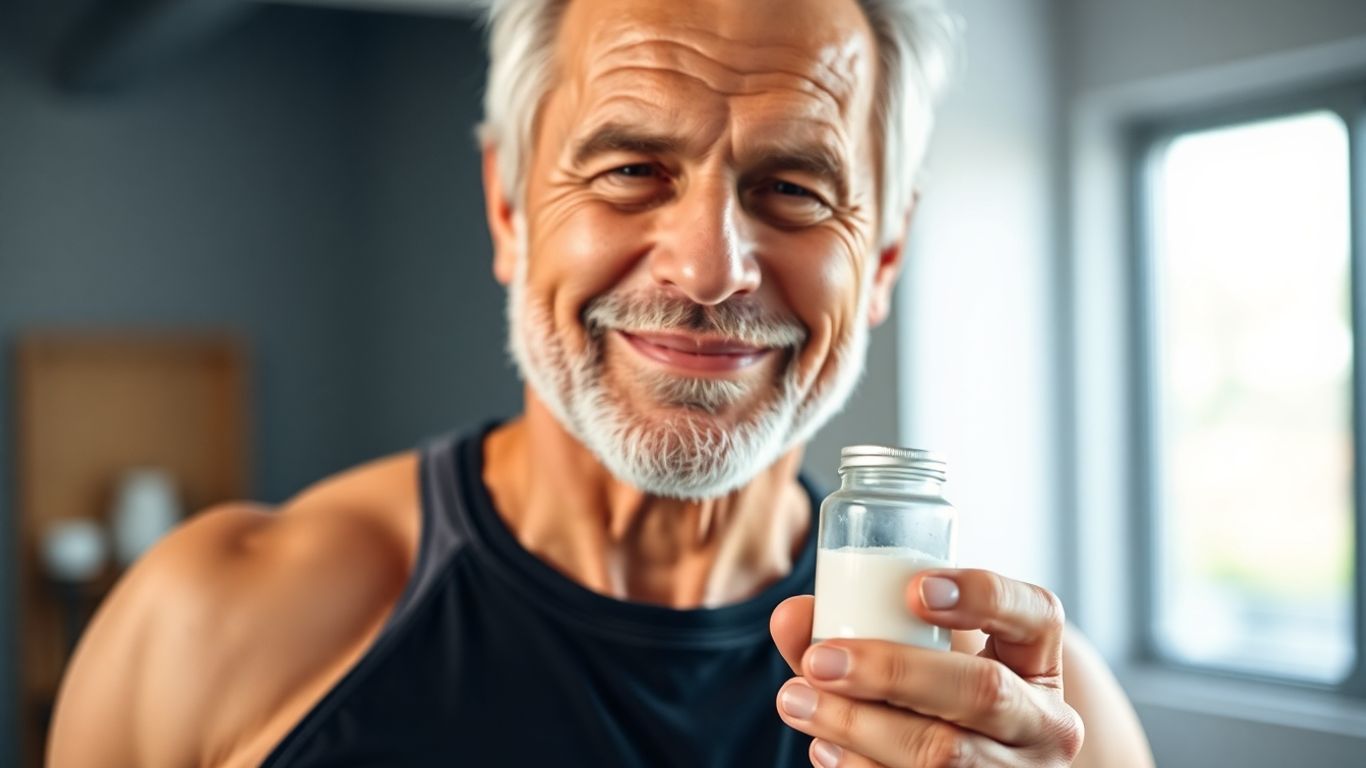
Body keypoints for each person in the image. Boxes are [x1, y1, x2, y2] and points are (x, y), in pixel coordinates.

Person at [49, 0, 1154, 765]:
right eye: (632, 169)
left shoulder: (1034, 728)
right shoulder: (206, 631)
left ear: (888, 255)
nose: (711, 269)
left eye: (793, 187)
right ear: (507, 209)